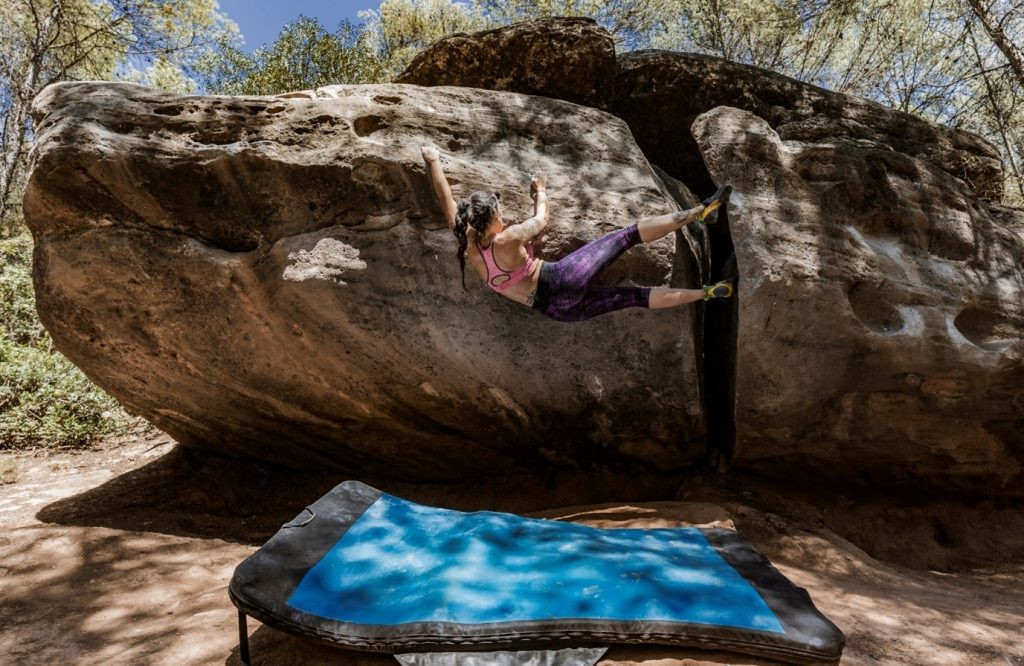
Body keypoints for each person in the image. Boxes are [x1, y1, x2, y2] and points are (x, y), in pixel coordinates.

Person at [421, 145, 734, 323]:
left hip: (558, 310)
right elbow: (542, 219)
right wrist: (540, 190)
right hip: (563, 279)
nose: (503, 216)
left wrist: (432, 160)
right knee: (627, 236)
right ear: (492, 217)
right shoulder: (510, 237)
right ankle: (699, 213)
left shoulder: (472, 247)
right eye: (499, 212)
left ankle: (709, 293)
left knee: (635, 297)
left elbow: (445, 199)